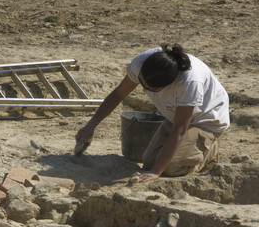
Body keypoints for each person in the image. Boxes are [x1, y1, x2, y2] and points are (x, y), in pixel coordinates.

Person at [75, 44, 230, 183]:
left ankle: (208, 151)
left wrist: (156, 172)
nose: (144, 87)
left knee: (170, 167)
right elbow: (118, 95)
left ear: (168, 84)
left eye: (151, 88)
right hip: (174, 116)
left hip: (206, 118)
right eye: (142, 83)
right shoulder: (143, 62)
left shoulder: (189, 83)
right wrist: (91, 126)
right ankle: (190, 150)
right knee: (148, 162)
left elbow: (180, 130)